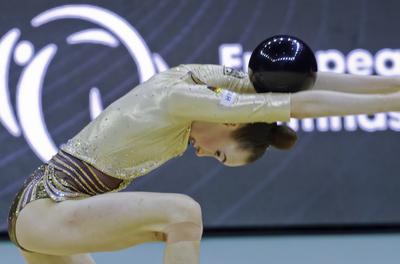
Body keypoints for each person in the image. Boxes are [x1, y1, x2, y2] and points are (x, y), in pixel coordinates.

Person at [8, 64, 400, 264]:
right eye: (219, 153)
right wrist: (391, 103)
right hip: (47, 211)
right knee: (183, 214)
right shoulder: (190, 100)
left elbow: (302, 81)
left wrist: (391, 83)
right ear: (232, 123)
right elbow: (301, 105)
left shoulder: (199, 78)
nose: (201, 154)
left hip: (44, 215)